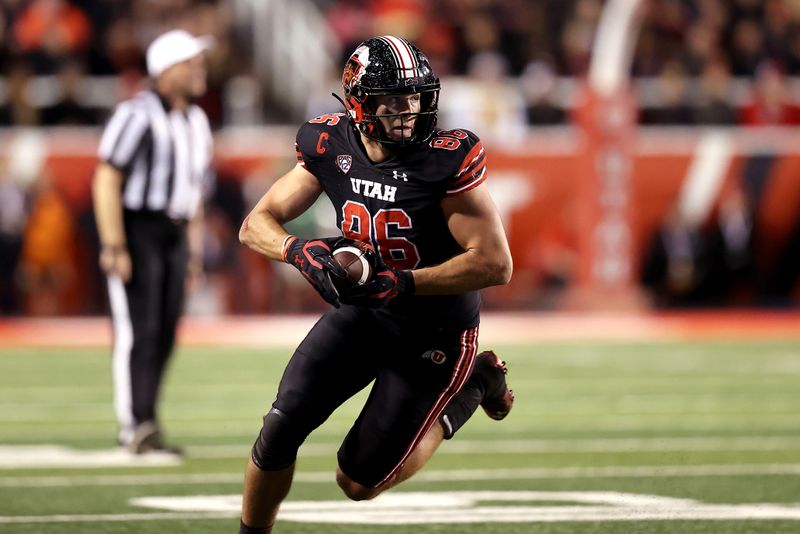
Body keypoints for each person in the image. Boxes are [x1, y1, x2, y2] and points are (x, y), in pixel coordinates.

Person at [238, 35, 514, 533]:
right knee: (280, 429)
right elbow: (256, 223)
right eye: (390, 98)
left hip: (435, 332)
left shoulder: (443, 161)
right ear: (359, 101)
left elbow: (495, 265)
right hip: (364, 313)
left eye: (414, 96)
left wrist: (401, 284)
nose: (406, 109)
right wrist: (299, 251)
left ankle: (472, 385)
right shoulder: (330, 144)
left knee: (357, 482)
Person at [92, 29, 214, 455]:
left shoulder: (196, 121)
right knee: (137, 330)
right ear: (164, 71)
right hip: (137, 227)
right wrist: (114, 244)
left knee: (164, 331)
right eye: (190, 62)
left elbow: (194, 193)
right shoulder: (137, 114)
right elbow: (107, 178)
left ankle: (147, 420)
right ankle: (135, 423)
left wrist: (195, 251)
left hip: (174, 231)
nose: (200, 68)